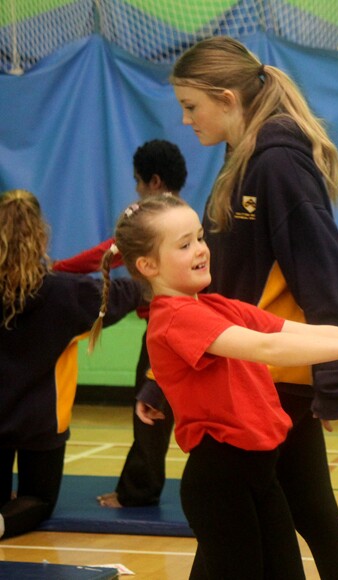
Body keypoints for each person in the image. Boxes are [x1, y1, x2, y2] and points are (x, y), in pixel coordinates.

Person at [89, 194, 338, 579]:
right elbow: (268, 346)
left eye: (200, 238)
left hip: (261, 476)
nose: (200, 250)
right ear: (147, 265)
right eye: (184, 244)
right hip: (221, 484)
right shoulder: (174, 319)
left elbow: (297, 330)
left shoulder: (218, 307)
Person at [169, 36, 338, 579]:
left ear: (228, 99)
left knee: (233, 516)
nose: (186, 120)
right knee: (288, 515)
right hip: (256, 371)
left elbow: (326, 270)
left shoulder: (276, 162)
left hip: (278, 375)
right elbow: (228, 286)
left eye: (192, 106)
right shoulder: (245, 158)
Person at [54, 138, 188, 508]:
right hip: (187, 327)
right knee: (162, 410)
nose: (136, 189)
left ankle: (138, 492)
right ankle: (138, 487)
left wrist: (55, 270)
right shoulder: (187, 217)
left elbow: (107, 253)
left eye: (138, 181)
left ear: (155, 182)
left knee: (149, 411)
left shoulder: (152, 218)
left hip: (166, 330)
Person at [0, 189, 142, 539]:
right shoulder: (64, 294)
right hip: (42, 422)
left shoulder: (63, 290)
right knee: (37, 499)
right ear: (41, 235)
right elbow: (124, 293)